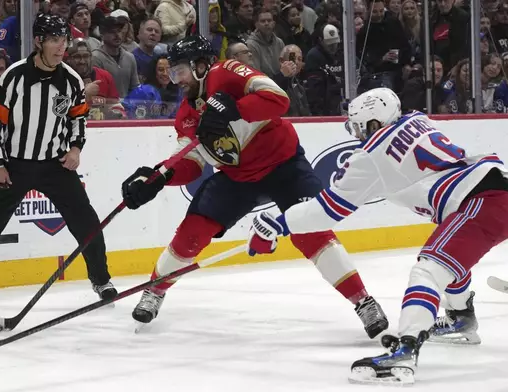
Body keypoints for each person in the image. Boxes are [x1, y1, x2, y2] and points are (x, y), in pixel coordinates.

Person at [247, 88, 508, 385]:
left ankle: (405, 350)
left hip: (481, 203)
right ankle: (461, 318)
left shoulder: (370, 155)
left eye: (358, 126)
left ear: (373, 124)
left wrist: (278, 223)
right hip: (496, 197)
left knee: (427, 270)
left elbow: (328, 210)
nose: (356, 134)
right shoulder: (417, 120)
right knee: (448, 259)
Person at [120, 35, 388, 339]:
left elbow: (279, 100)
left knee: (311, 233)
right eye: (172, 74)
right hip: (238, 176)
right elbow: (191, 162)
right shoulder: (186, 114)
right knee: (193, 231)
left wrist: (235, 107)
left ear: (200, 66)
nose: (176, 80)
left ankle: (362, 300)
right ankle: (155, 290)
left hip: (284, 165)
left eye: (180, 71)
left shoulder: (228, 72)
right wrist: (160, 178)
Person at [0, 14, 117, 304]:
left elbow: (78, 119)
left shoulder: (71, 79)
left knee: (86, 221)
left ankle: (101, 280)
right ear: (38, 42)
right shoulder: (14, 76)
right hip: (14, 164)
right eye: (55, 40)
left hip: (55, 165)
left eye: (65, 40)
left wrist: (75, 149)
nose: (62, 47)